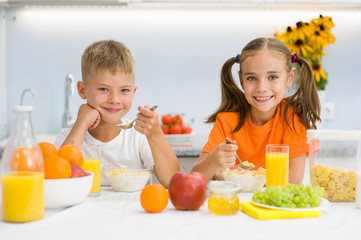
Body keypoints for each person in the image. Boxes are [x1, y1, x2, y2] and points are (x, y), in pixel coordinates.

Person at [192, 37, 320, 184]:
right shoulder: (226, 121)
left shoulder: (293, 119)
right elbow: (195, 178)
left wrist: (231, 176)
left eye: (272, 77)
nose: (261, 88)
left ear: (290, 78)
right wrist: (213, 161)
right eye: (251, 78)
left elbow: (291, 180)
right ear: (241, 80)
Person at [55, 40, 179, 188]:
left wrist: (155, 134)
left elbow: (173, 182)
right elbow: (59, 179)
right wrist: (81, 124)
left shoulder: (138, 137)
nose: (114, 100)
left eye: (124, 90)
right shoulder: (67, 137)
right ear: (82, 90)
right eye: (103, 89)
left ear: (133, 92)